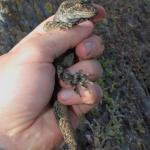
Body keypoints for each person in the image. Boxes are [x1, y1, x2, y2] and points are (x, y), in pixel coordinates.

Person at [0, 5, 105, 150]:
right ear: (68, 9)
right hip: (55, 84)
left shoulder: (78, 23)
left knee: (71, 139)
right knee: (71, 140)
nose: (87, 9)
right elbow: (50, 27)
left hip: (57, 92)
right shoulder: (56, 23)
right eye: (80, 6)